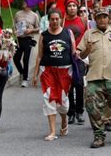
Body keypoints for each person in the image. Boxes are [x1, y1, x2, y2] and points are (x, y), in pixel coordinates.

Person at [78, 8, 111, 148]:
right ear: (95, 19)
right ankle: (99, 136)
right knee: (92, 107)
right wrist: (87, 50)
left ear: (109, 18)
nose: (102, 19)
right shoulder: (89, 34)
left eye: (104, 17)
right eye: (99, 17)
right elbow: (81, 55)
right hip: (94, 78)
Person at [31, 9, 74, 141]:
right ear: (48, 20)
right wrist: (35, 74)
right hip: (48, 70)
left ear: (61, 19)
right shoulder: (44, 35)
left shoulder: (68, 33)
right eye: (52, 19)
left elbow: (73, 53)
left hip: (65, 70)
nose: (54, 21)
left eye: (57, 19)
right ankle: (52, 131)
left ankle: (64, 120)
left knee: (63, 102)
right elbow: (39, 56)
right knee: (49, 98)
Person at [63, 0, 87, 125]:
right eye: (69, 6)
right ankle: (70, 112)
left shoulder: (83, 21)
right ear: (66, 8)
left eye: (74, 5)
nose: (72, 7)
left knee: (79, 84)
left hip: (80, 57)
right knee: (69, 85)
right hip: (66, 58)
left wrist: (81, 50)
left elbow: (87, 37)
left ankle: (80, 111)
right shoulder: (62, 22)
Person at [13, 0, 40, 87]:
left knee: (25, 59)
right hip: (18, 39)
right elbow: (14, 25)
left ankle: (25, 79)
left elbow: (38, 28)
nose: (23, 3)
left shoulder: (34, 15)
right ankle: (22, 73)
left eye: (25, 1)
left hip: (28, 39)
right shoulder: (18, 14)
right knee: (16, 58)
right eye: (23, 1)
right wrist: (14, 31)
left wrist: (31, 30)